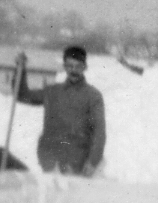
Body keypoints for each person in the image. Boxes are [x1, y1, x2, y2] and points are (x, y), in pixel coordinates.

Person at [14, 45, 106, 176]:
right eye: (69, 66)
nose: (73, 70)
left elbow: (99, 132)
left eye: (78, 66)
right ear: (64, 66)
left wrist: (93, 162)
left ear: (85, 67)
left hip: (78, 162)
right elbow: (22, 95)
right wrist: (20, 69)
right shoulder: (52, 91)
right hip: (50, 160)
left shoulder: (93, 96)